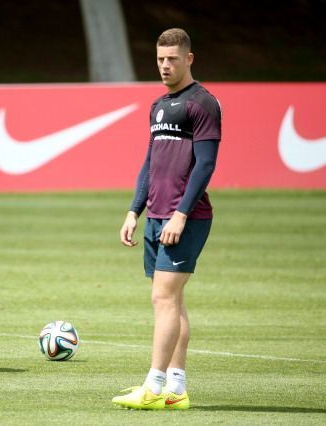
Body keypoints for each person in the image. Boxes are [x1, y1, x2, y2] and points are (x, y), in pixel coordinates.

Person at [112, 28, 222, 410]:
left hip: (185, 218)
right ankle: (176, 388)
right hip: (157, 216)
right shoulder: (158, 105)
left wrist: (181, 214)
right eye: (160, 58)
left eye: (172, 58)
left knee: (163, 297)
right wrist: (133, 210)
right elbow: (149, 163)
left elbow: (206, 164)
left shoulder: (203, 103)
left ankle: (154, 386)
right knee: (172, 302)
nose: (165, 65)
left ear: (189, 59)